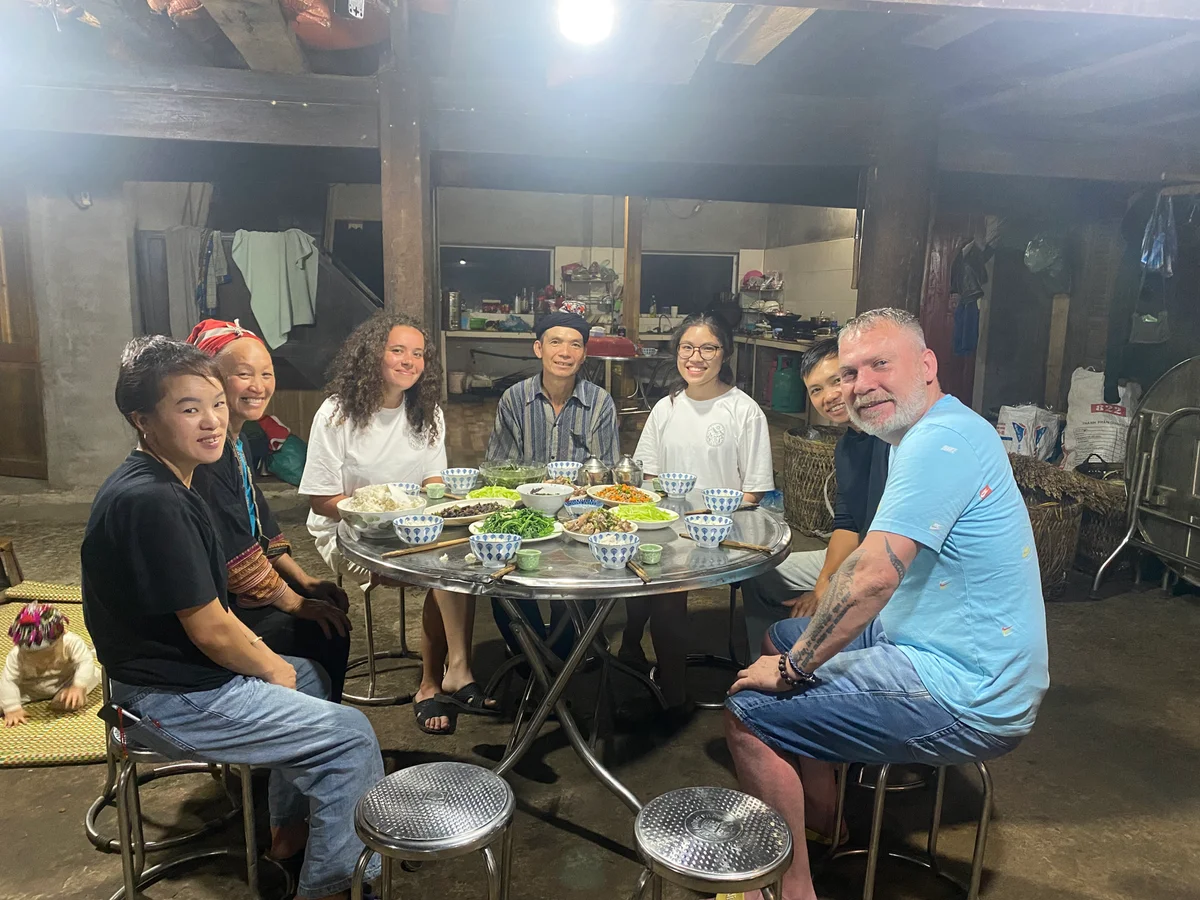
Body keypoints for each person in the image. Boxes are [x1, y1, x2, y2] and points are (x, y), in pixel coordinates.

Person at [724, 309, 1049, 900]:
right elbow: (866, 559)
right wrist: (798, 642)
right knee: (777, 636)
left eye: (880, 365)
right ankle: (824, 811)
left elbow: (874, 577)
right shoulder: (915, 433)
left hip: (967, 688)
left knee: (748, 711)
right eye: (849, 373)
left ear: (926, 366)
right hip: (937, 640)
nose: (859, 386)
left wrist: (798, 669)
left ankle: (789, 888)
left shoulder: (939, 441)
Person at [83, 336, 383, 900]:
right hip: (163, 697)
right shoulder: (156, 502)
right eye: (189, 408)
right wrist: (271, 667)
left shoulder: (174, 479)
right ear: (142, 418)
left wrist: (280, 657)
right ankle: (336, 886)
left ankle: (290, 833)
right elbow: (211, 627)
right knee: (350, 736)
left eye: (216, 404)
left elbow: (223, 591)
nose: (212, 420)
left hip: (174, 677)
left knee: (314, 675)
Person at [299, 313, 496, 735]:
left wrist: (445, 507)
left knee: (461, 561)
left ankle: (448, 673)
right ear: (373, 355)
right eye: (397, 350)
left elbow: (432, 482)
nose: (409, 361)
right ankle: (438, 680)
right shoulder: (337, 413)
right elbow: (320, 497)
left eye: (418, 353)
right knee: (437, 571)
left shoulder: (427, 413)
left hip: (412, 527)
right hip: (352, 533)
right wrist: (380, 511)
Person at [187, 319, 352, 705]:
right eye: (243, 374)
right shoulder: (206, 452)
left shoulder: (238, 441)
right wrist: (295, 602)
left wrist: (305, 581)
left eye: (266, 373)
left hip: (232, 592)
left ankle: (313, 730)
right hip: (212, 608)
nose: (258, 385)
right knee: (322, 630)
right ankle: (293, 738)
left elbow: (259, 526)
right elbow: (234, 551)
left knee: (328, 610)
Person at [622, 313, 775, 719]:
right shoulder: (666, 408)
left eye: (708, 348)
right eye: (687, 348)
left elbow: (754, 491)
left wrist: (700, 512)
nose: (696, 357)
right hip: (667, 524)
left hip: (724, 530)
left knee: (666, 588)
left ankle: (672, 693)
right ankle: (629, 647)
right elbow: (647, 476)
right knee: (627, 556)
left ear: (724, 355)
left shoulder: (744, 411)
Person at [739, 337, 890, 656]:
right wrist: (824, 582)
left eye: (836, 380)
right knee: (758, 570)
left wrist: (833, 588)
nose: (829, 397)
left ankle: (803, 651)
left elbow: (887, 544)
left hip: (889, 563)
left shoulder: (892, 438)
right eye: (816, 390)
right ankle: (764, 660)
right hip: (858, 554)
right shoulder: (847, 448)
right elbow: (847, 525)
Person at [485, 311, 621, 661]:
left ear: (584, 353)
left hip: (580, 520)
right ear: (538, 348)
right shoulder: (514, 399)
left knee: (579, 590)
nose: (565, 352)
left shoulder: (599, 403)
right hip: (526, 517)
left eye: (575, 344)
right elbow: (500, 471)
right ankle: (534, 661)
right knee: (502, 584)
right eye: (555, 342)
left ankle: (557, 664)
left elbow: (603, 476)